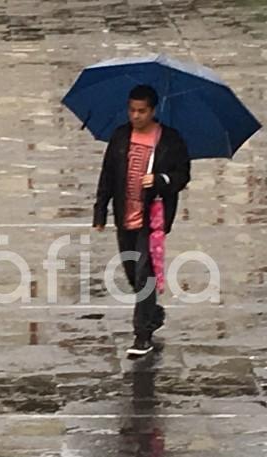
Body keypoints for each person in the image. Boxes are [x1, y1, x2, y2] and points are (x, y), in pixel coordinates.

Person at [93, 85, 190, 356]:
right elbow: (108, 174)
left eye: (142, 111)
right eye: (132, 110)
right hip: (125, 216)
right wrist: (100, 210)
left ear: (152, 111)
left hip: (153, 219)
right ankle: (153, 312)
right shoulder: (121, 137)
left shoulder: (170, 140)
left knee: (144, 272)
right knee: (132, 271)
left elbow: (183, 174)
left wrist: (160, 180)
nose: (136, 116)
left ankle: (142, 335)